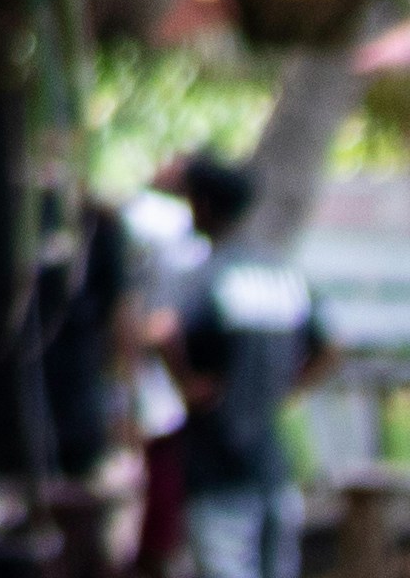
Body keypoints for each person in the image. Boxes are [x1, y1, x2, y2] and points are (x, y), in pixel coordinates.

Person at [174, 150, 317, 578]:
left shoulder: (208, 273)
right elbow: (333, 344)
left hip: (218, 462)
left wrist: (186, 382)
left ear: (201, 204)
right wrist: (288, 386)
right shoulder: (281, 273)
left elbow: (159, 328)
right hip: (273, 461)